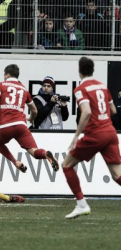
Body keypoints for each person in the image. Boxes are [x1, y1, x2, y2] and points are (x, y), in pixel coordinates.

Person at [62, 57, 121, 219]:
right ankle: (81, 205)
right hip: (110, 132)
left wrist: (76, 136)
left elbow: (87, 112)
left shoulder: (81, 89)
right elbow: (113, 111)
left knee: (67, 165)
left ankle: (81, 204)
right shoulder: (103, 87)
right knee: (117, 175)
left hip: (95, 133)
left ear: (79, 71)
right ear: (93, 70)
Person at [0, 64, 59, 173]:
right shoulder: (24, 89)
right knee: (34, 152)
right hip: (21, 126)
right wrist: (31, 119)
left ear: (7, 75)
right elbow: (34, 110)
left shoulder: (0, 85)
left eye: (4, 75)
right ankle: (46, 154)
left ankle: (15, 162)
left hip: (5, 126)